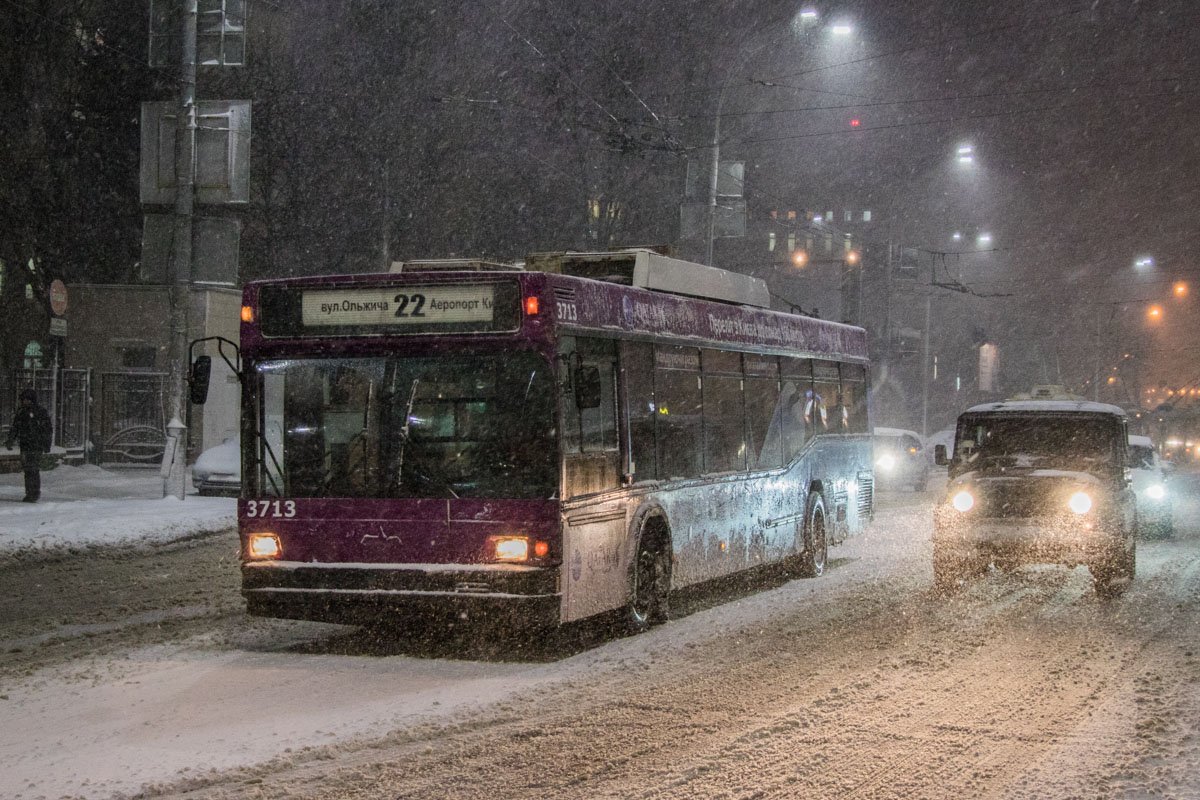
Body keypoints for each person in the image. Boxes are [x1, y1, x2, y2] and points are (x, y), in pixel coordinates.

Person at [5, 389, 52, 502]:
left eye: (25, 399)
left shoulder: (39, 412)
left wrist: (46, 444)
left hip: (35, 445)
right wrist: (10, 440)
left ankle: (33, 492)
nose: (23, 401)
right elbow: (16, 427)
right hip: (26, 444)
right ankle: (31, 492)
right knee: (28, 469)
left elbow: (47, 429)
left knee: (33, 468)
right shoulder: (22, 412)